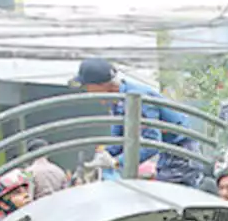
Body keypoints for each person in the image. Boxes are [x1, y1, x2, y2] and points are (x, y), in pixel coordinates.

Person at [74, 58, 207, 187]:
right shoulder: (117, 99)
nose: (88, 91)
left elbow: (152, 143)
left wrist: (116, 162)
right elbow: (118, 140)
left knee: (169, 199)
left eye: (88, 86)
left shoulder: (137, 99)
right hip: (167, 153)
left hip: (181, 153)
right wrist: (104, 156)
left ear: (101, 85)